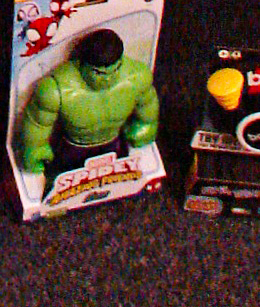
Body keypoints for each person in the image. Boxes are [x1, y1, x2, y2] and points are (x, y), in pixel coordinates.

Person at [17, 28, 159, 198]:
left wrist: (146, 126)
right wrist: (35, 148)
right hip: (73, 148)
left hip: (114, 143)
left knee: (121, 184)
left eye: (115, 69)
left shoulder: (137, 77)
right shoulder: (55, 88)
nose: (107, 79)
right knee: (57, 192)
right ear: (82, 64)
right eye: (98, 73)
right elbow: (37, 123)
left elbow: (148, 104)